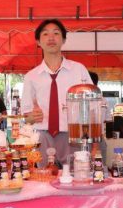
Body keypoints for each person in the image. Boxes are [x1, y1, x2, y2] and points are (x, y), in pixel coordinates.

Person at [21, 19, 92, 165]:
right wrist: (31, 117)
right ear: (38, 41)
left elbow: (93, 104)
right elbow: (25, 116)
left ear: (64, 40)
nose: (51, 38)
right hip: (43, 137)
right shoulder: (31, 77)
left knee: (77, 175)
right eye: (45, 34)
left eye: (56, 33)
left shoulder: (78, 70)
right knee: (44, 176)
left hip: (74, 136)